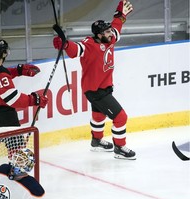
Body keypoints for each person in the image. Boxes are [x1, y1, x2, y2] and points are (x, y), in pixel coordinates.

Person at [53, 0, 136, 160]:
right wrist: (64, 44)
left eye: (109, 31)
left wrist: (120, 15)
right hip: (95, 90)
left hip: (104, 87)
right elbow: (75, 49)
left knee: (99, 115)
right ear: (98, 35)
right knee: (120, 117)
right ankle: (119, 148)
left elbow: (117, 26)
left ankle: (96, 141)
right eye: (106, 32)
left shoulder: (110, 39)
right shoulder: (88, 44)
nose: (110, 33)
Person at [0, 38, 48, 177]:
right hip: (4, 116)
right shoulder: (0, 75)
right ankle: (15, 176)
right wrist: (35, 99)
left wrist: (18, 70)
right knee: (16, 146)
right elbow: (13, 99)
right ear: (4, 54)